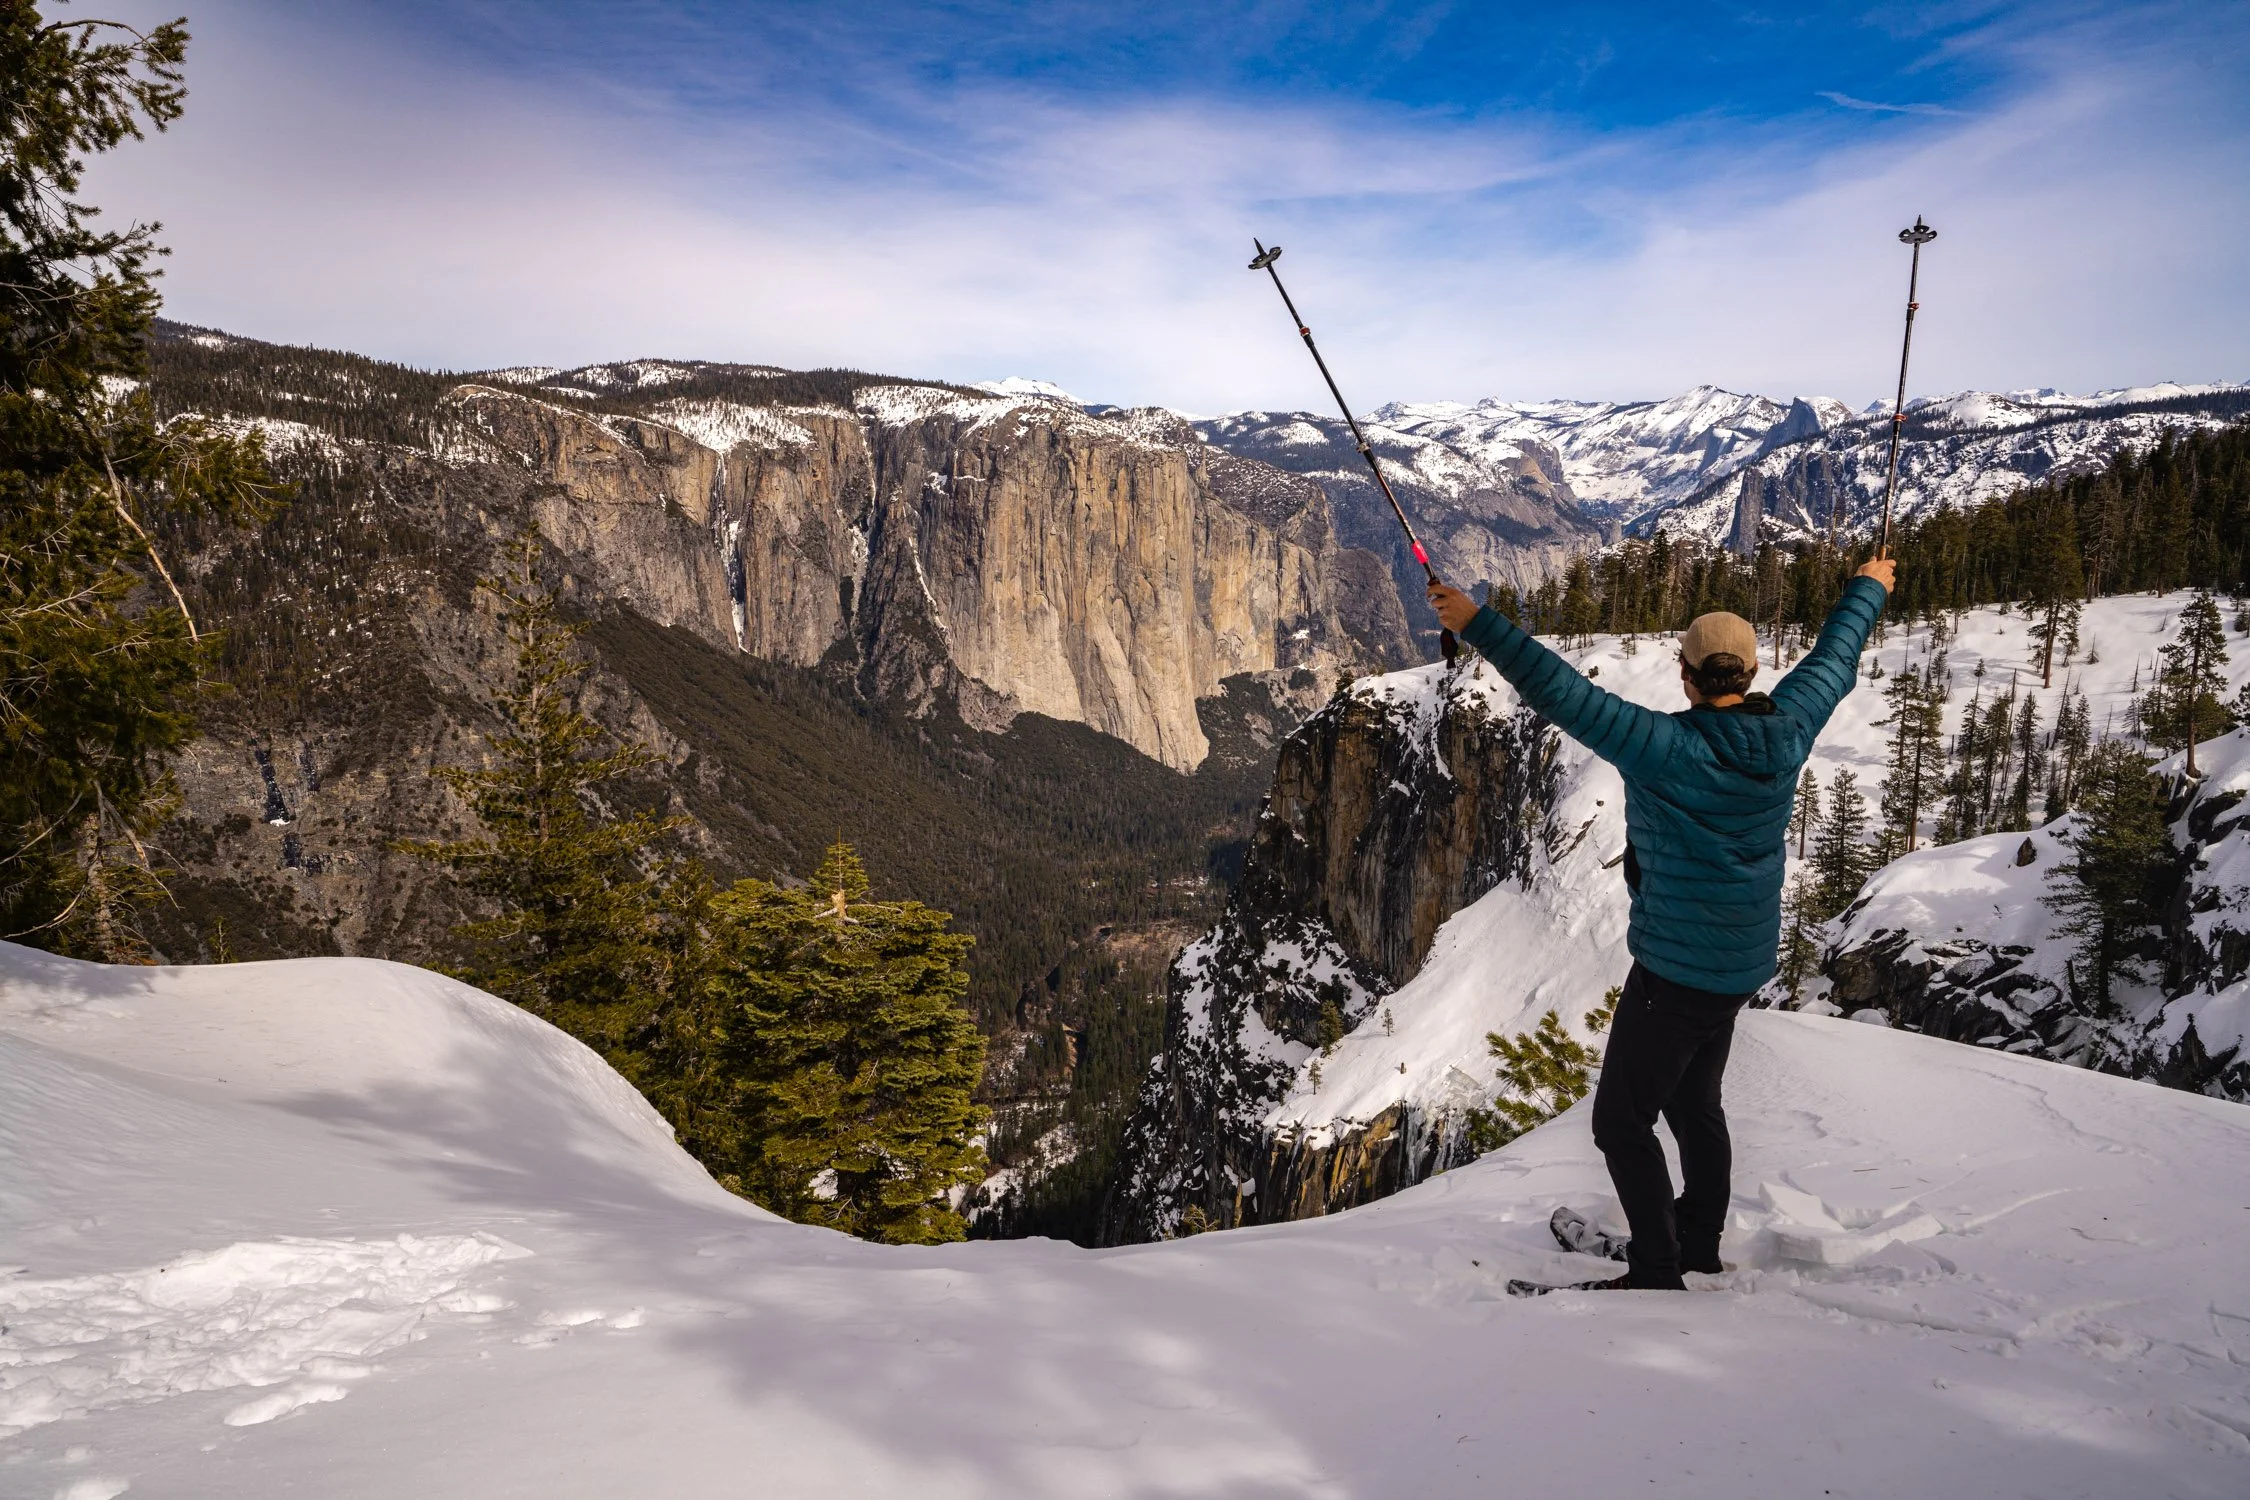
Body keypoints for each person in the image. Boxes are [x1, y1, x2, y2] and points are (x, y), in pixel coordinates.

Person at [1428, 557, 1894, 1290]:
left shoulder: (1664, 749)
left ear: (1685, 675)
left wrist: (1476, 622)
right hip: (1739, 967)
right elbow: (1835, 658)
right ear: (1753, 670)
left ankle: (1656, 1266)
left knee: (1620, 1122)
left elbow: (1563, 694)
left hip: (1675, 974)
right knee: (1693, 1101)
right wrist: (1871, 584)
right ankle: (1696, 1242)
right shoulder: (1791, 727)